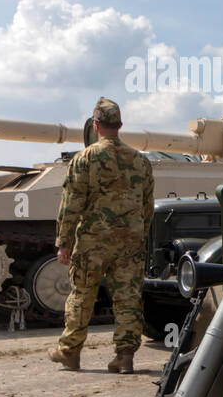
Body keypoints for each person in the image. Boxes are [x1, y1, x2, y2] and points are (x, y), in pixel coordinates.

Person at [48, 98, 154, 373]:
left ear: (96, 125)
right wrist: (139, 236)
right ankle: (125, 356)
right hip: (130, 241)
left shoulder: (84, 159)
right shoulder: (140, 161)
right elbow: (147, 207)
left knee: (82, 294)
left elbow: (71, 204)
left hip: (94, 241)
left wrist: (64, 242)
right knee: (128, 296)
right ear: (119, 125)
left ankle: (70, 353)